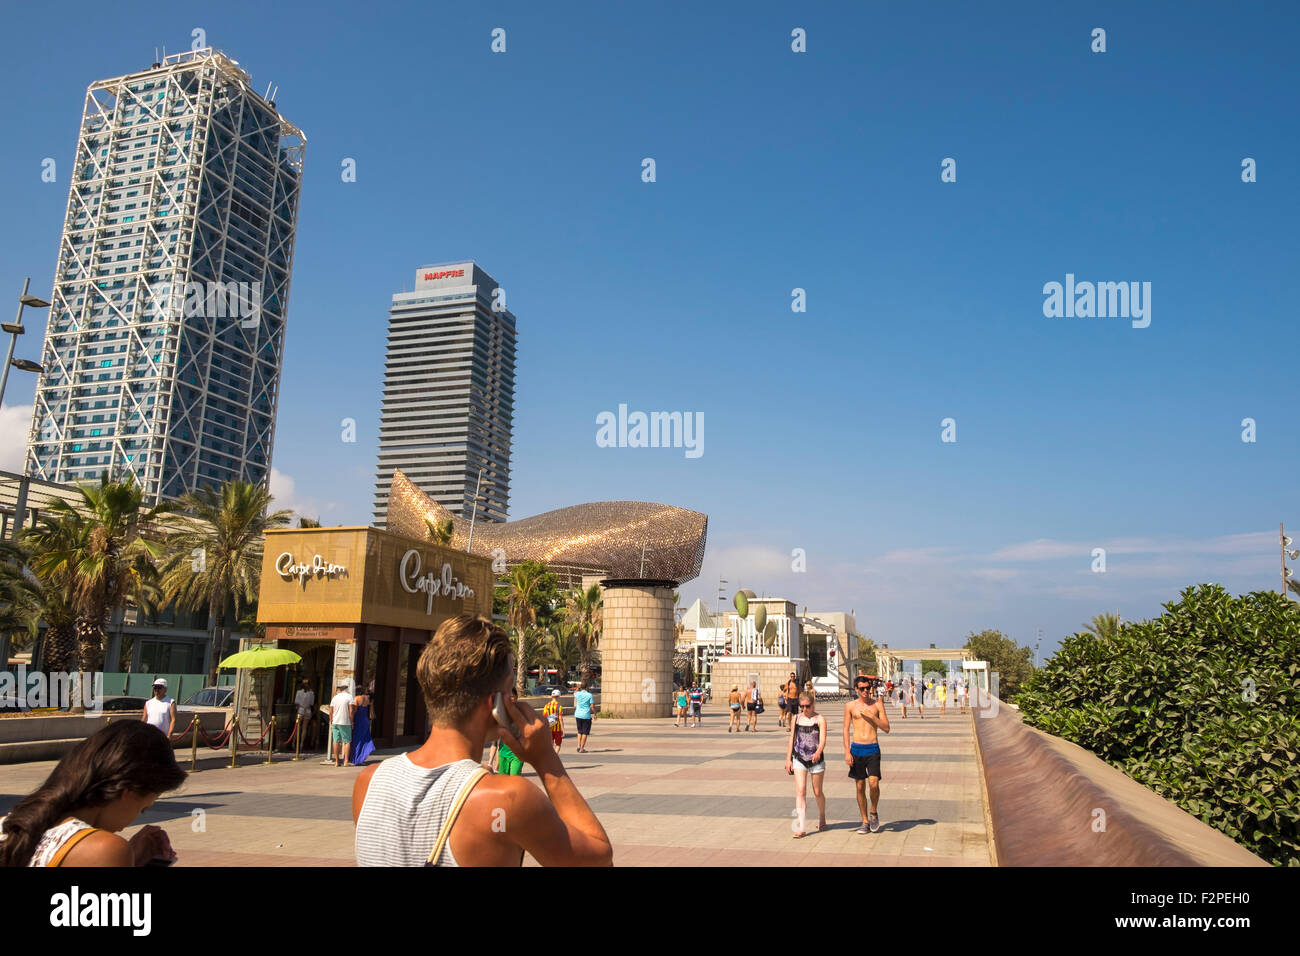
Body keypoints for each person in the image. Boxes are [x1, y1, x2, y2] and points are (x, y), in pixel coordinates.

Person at [353, 614, 613, 866]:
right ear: (495, 703)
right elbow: (599, 859)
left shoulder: (368, 782)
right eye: (511, 690)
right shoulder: (509, 798)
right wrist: (546, 761)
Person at [0, 720, 183, 866]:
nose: (134, 819)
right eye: (143, 809)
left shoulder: (10, 828)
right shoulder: (105, 849)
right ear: (128, 791)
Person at [843, 675, 890, 834]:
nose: (865, 691)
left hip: (872, 748)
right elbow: (845, 729)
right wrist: (847, 751)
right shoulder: (850, 706)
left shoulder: (877, 705)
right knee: (860, 786)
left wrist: (872, 717)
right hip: (856, 749)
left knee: (874, 784)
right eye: (862, 688)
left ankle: (874, 811)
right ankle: (864, 821)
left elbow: (886, 728)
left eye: (867, 688)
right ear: (856, 689)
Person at [786, 693, 827, 837]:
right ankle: (801, 827)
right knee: (801, 791)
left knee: (817, 792)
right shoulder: (796, 718)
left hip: (816, 760)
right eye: (802, 706)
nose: (804, 709)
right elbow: (792, 738)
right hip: (799, 758)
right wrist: (788, 759)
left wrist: (818, 752)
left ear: (813, 704)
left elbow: (822, 740)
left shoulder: (820, 719)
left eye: (807, 706)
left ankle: (822, 815)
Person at [485, 688, 524, 775]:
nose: (510, 699)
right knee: (504, 779)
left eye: (512, 696)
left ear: (517, 697)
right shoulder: (500, 713)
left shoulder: (522, 712)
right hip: (503, 753)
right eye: (508, 697)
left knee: (515, 778)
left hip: (517, 754)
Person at [330, 681, 354, 768]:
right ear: (347, 688)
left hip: (335, 721)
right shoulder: (349, 697)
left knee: (336, 741)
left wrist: (331, 720)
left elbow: (331, 710)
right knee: (347, 741)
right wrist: (351, 721)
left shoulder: (335, 697)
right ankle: (346, 761)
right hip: (345, 722)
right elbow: (351, 710)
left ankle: (336, 761)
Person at [351, 684, 376, 766]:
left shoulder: (356, 698)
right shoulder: (367, 698)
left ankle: (355, 758)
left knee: (356, 739)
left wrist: (351, 720)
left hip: (358, 720)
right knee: (363, 739)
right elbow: (370, 709)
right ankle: (361, 758)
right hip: (365, 720)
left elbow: (354, 710)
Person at [294, 679, 317, 752]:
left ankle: (294, 742)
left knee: (297, 727)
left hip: (300, 710)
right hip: (307, 710)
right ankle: (301, 743)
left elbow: (296, 702)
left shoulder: (299, 692)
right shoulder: (311, 693)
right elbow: (312, 703)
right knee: (304, 728)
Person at [573, 681, 594, 753]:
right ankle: (582, 748)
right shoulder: (589, 695)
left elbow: (574, 693)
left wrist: (577, 688)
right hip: (586, 715)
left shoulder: (578, 694)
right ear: (587, 687)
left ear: (581, 687)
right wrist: (595, 714)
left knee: (579, 731)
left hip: (578, 714)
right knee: (585, 732)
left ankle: (578, 745)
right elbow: (592, 706)